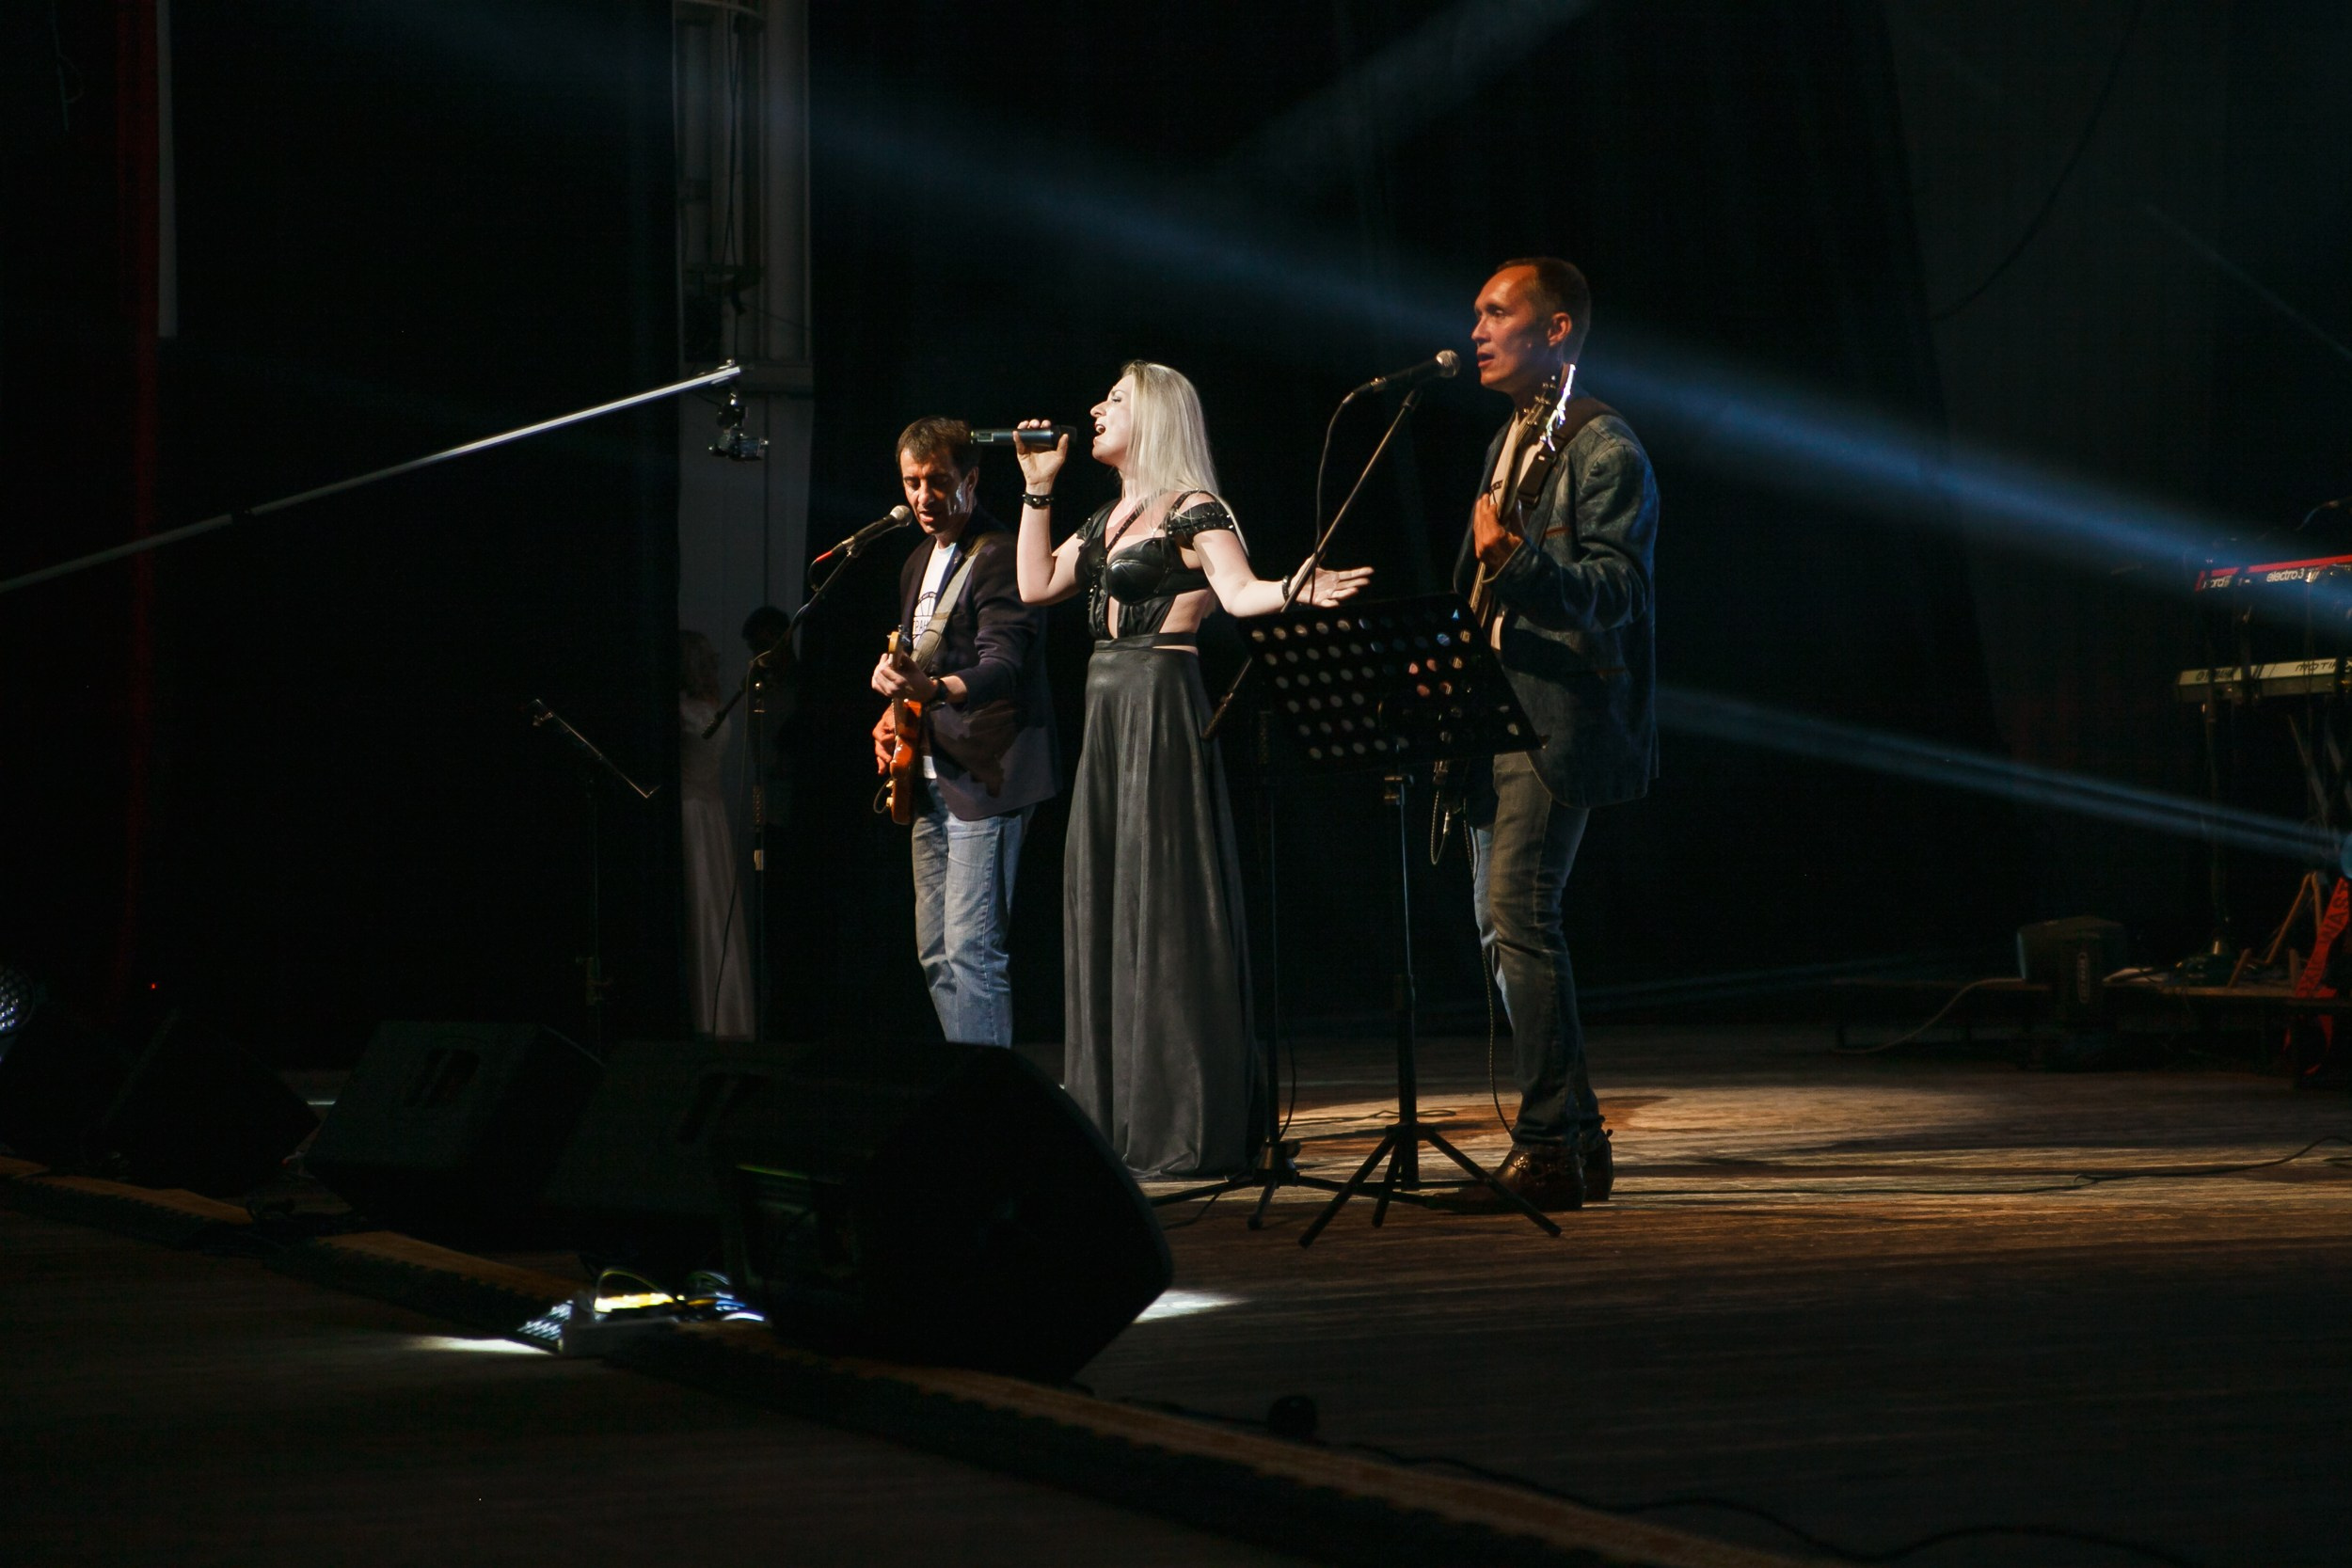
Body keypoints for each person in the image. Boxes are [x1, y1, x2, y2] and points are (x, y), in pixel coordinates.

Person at [1011, 362, 1371, 1179]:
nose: (1095, 408)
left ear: (1158, 417)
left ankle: (1180, 1115)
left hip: (1162, 702)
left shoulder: (1194, 508)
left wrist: (1297, 589)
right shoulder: (1108, 515)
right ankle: (1115, 1116)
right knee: (1106, 896)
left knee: (1163, 898)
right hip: (1106, 710)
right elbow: (1034, 586)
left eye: (1115, 400)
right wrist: (1038, 488)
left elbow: (1240, 595)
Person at [1456, 257, 1660, 1211]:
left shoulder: (1602, 445)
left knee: (1519, 914)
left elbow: (1617, 592)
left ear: (1558, 327)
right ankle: (1576, 1141)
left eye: (1499, 312)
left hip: (1558, 717)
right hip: (1497, 712)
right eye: (1477, 313)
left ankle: (1548, 1144)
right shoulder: (1510, 438)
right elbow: (1494, 586)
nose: (1478, 328)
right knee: (1502, 928)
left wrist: (1522, 563)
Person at [868, 417, 1058, 1048]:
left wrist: (930, 691)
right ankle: (971, 1085)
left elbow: (1004, 664)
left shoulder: (1000, 553)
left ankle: (988, 1107)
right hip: (928, 775)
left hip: (988, 774)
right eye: (912, 482)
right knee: (937, 952)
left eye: (938, 481)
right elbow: (919, 665)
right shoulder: (917, 560)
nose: (923, 497)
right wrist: (892, 715)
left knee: (973, 951)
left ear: (971, 480)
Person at [679, 629, 754, 1038]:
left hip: (696, 810)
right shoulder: (710, 705)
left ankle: (709, 1014)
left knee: (704, 906)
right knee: (709, 903)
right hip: (707, 810)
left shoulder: (688, 710)